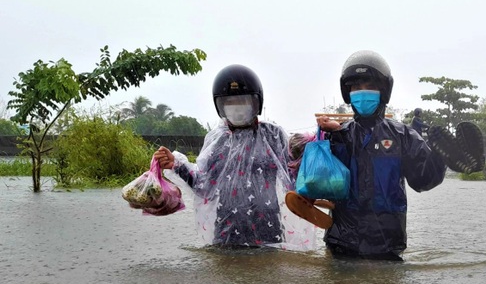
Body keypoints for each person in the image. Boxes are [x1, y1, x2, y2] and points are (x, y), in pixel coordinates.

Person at [153, 64, 314, 250]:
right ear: (220, 106)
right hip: (227, 230)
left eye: (243, 101)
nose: (237, 108)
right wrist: (177, 165)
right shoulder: (217, 140)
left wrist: (313, 153)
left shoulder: (273, 135)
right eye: (229, 102)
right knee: (225, 276)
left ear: (256, 102)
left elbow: (293, 179)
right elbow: (203, 186)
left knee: (269, 274)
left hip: (268, 229)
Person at [313, 50, 449, 261]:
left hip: (387, 245)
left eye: (370, 86)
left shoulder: (403, 135)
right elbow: (315, 182)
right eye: (356, 87)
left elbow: (423, 180)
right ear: (347, 92)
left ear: (384, 90)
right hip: (341, 244)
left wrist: (440, 156)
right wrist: (327, 137)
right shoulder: (337, 135)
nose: (362, 93)